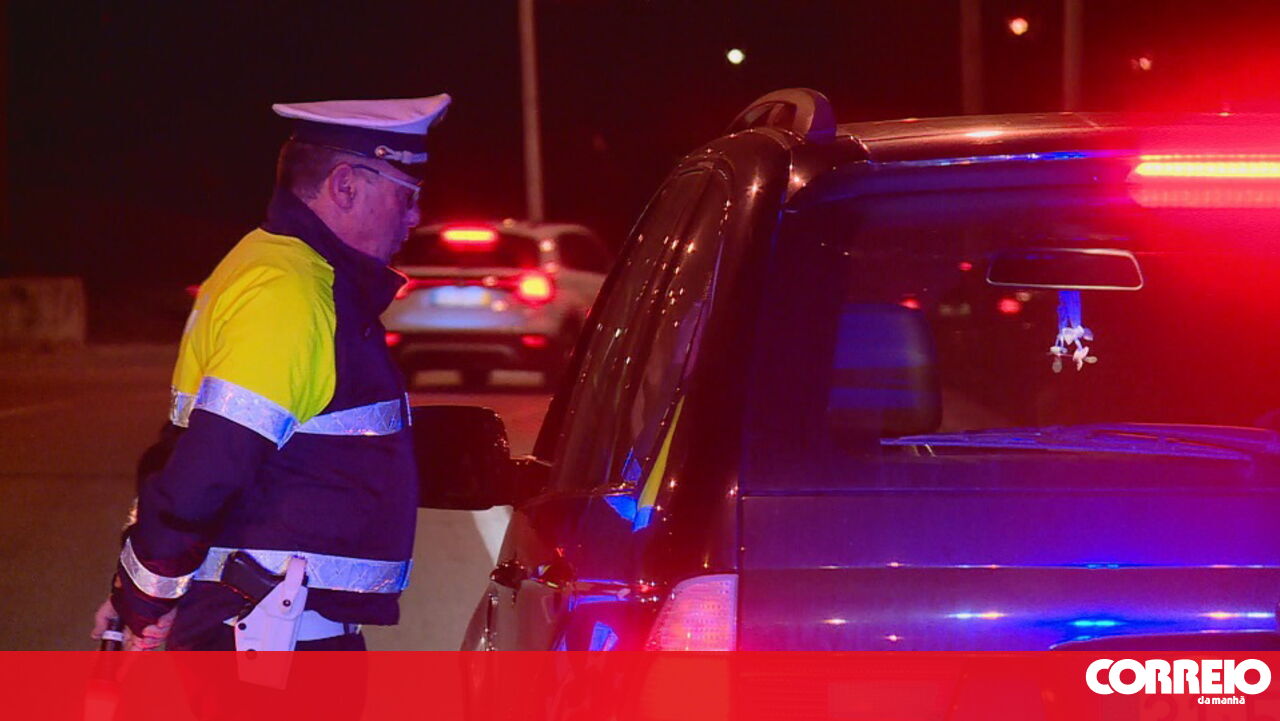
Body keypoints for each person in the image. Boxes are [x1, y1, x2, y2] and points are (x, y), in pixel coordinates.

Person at [90, 95, 451, 652]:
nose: (414, 216)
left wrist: (138, 589)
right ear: (345, 186)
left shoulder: (276, 266)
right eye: (406, 195)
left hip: (262, 630)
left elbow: (193, 448)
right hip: (271, 645)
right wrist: (144, 596)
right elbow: (213, 461)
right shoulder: (290, 291)